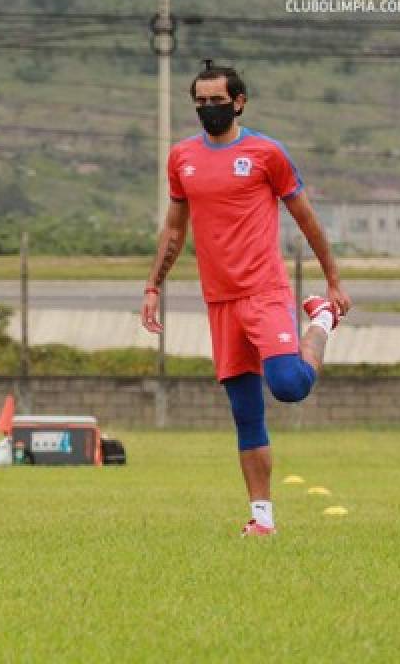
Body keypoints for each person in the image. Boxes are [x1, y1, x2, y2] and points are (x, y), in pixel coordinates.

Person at [141, 61, 352, 538]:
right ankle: (262, 519)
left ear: (239, 102)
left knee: (289, 385)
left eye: (218, 100)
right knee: (245, 413)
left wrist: (332, 282)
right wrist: (153, 285)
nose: (208, 108)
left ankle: (319, 321)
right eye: (201, 101)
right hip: (220, 302)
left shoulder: (265, 153)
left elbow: (306, 217)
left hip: (265, 292)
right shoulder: (181, 159)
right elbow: (175, 228)